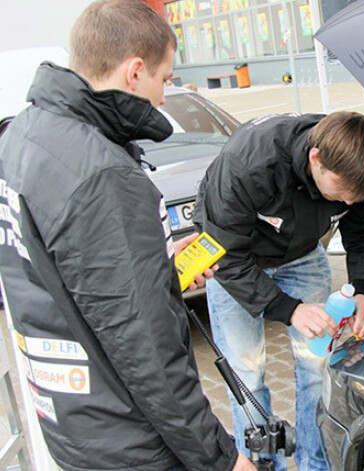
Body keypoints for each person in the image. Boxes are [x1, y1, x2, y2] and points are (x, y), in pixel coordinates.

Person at [0, 1, 254, 470]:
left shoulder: (23, 135)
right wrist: (223, 459)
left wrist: (155, 265)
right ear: (135, 72)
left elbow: (62, 274)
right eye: (165, 78)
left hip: (71, 422)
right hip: (129, 441)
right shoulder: (102, 174)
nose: (164, 96)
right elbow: (147, 351)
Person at [194, 111, 364, 470]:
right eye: (341, 191)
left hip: (302, 253)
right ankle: (264, 463)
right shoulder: (249, 164)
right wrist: (289, 308)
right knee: (246, 372)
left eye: (355, 196)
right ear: (315, 158)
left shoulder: (359, 168)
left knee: (317, 365)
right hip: (238, 259)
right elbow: (225, 254)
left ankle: (317, 462)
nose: (347, 202)